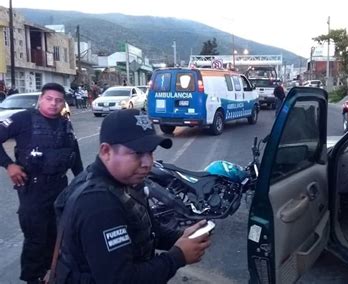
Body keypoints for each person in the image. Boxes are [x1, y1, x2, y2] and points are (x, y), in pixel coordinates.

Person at [52, 109, 211, 283]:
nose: (148, 163)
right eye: (137, 153)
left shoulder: (127, 181)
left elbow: (148, 230)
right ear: (106, 151)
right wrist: (177, 257)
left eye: (150, 152)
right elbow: (121, 279)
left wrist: (182, 237)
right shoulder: (98, 204)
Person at [0, 82, 83, 283]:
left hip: (60, 188)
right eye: (49, 99)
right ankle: (32, 278)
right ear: (41, 99)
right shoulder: (23, 119)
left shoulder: (65, 123)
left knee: (59, 237)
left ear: (64, 103)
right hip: (33, 188)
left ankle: (51, 275)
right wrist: (9, 165)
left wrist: (81, 179)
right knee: (36, 239)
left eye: (59, 100)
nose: (53, 104)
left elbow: (74, 151)